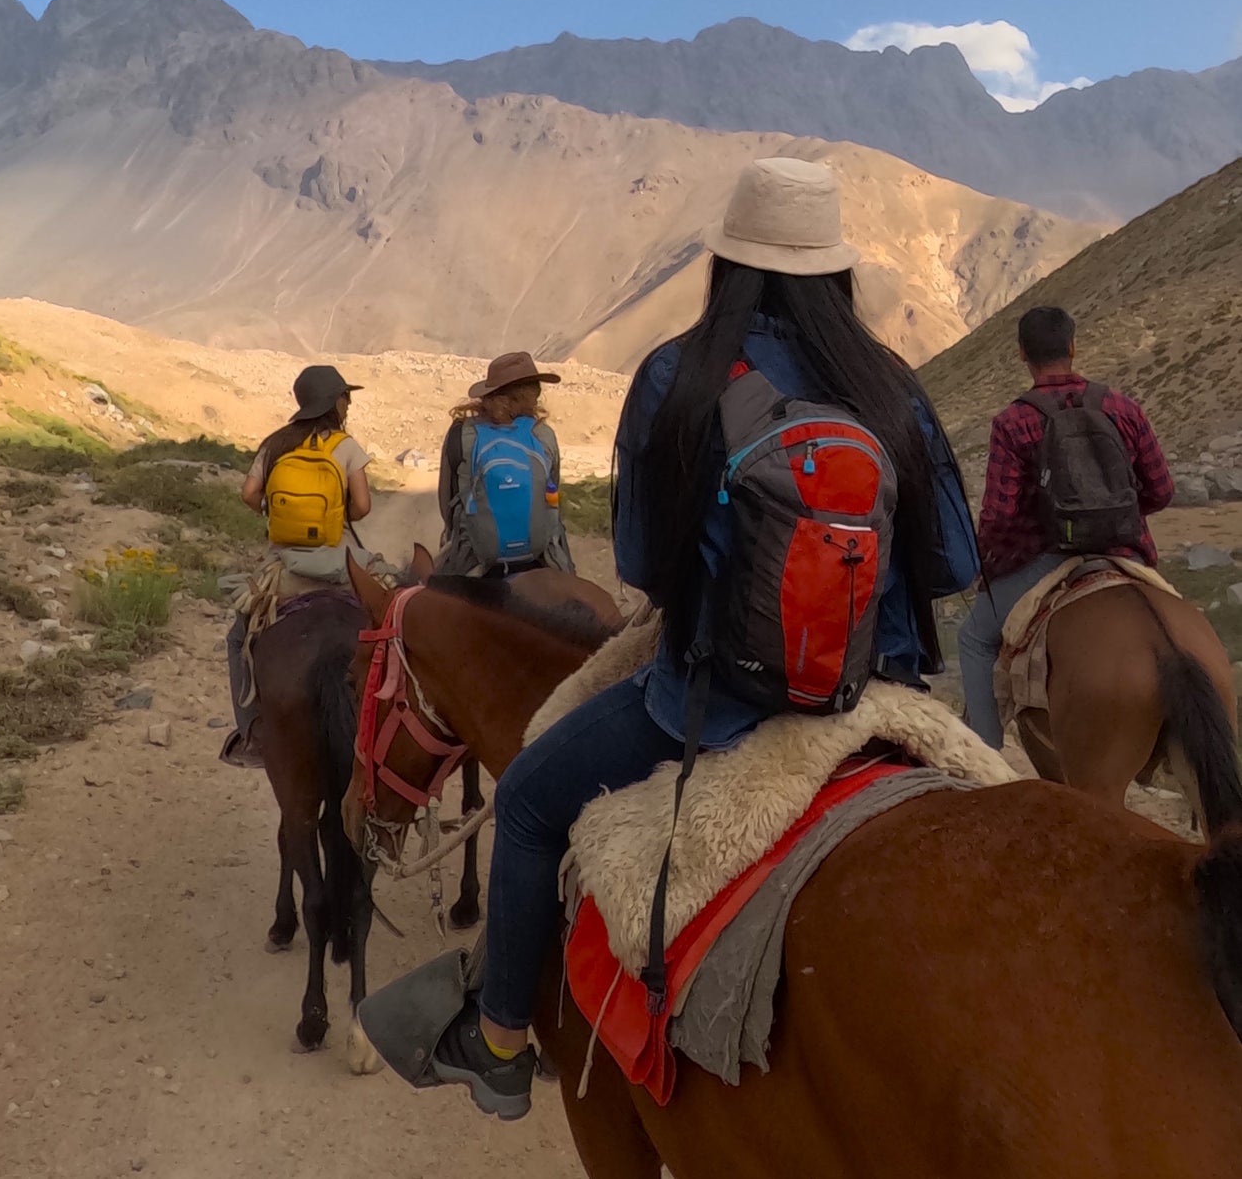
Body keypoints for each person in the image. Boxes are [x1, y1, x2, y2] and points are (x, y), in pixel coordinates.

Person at [423, 157, 979, 1119]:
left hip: (712, 703)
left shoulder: (679, 374)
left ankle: (501, 1039)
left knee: (522, 802)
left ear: (726, 264)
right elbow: (955, 566)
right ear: (836, 271)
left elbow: (640, 561)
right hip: (875, 690)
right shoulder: (889, 384)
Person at [957, 305, 1174, 750]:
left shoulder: (1013, 422)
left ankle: (985, 756)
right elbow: (1161, 490)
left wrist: (985, 562)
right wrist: (1118, 520)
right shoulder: (1122, 407)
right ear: (1073, 346)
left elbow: (998, 516)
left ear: (1022, 354)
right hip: (1123, 553)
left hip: (1045, 560)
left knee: (975, 638)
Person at [220, 364, 373, 767]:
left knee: (239, 638)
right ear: (335, 402)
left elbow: (249, 494)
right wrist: (333, 518)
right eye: (346, 397)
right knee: (387, 625)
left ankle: (252, 734)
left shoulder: (275, 444)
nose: (348, 404)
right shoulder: (347, 446)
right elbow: (362, 506)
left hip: (283, 570)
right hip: (341, 566)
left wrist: (278, 516)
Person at [435, 351, 574, 576]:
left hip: (473, 560)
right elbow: (551, 496)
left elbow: (446, 506)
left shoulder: (461, 435)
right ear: (533, 394)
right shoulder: (544, 436)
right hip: (539, 558)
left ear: (489, 394)